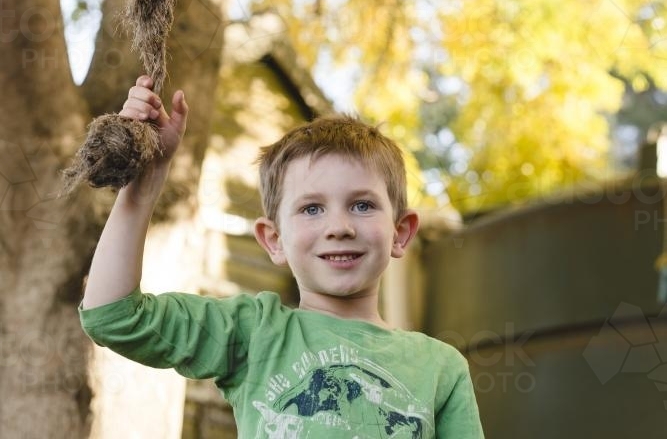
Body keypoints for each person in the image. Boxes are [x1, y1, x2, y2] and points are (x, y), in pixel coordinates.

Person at [80, 76, 485, 438]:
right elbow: (114, 317)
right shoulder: (253, 332)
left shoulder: (440, 368)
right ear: (273, 240)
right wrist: (144, 185)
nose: (339, 226)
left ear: (400, 232)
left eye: (362, 205)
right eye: (311, 209)